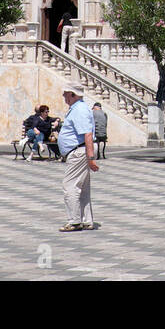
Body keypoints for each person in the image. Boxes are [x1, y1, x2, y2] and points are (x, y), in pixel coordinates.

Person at [57, 83, 99, 231]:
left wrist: (90, 158)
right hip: (79, 150)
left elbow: (87, 134)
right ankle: (86, 220)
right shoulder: (77, 109)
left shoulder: (79, 110)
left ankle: (75, 221)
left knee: (70, 186)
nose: (64, 96)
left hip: (78, 151)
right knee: (83, 187)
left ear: (73, 95)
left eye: (66, 94)